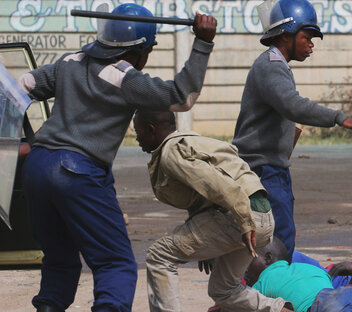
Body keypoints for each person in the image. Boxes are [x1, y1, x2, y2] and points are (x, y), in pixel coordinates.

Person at [17, 4, 216, 312]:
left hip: (36, 166)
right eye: (148, 50)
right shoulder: (126, 78)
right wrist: (202, 43)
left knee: (59, 259)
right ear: (138, 51)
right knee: (116, 263)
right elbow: (183, 97)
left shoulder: (70, 61)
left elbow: (21, 87)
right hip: (77, 173)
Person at [232, 0, 352, 261]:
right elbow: (293, 105)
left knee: (271, 239)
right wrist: (340, 118)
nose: (311, 45)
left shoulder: (275, 64)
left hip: (268, 167)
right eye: (307, 37)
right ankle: (272, 298)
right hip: (263, 170)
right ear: (286, 35)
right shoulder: (272, 66)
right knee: (278, 241)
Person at [133, 111, 290, 312]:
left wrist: (244, 221)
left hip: (242, 216)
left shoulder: (172, 152)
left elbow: (219, 185)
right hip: (260, 217)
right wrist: (210, 246)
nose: (137, 139)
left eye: (138, 133)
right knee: (224, 290)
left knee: (160, 255)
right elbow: (203, 196)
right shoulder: (193, 141)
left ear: (151, 129)